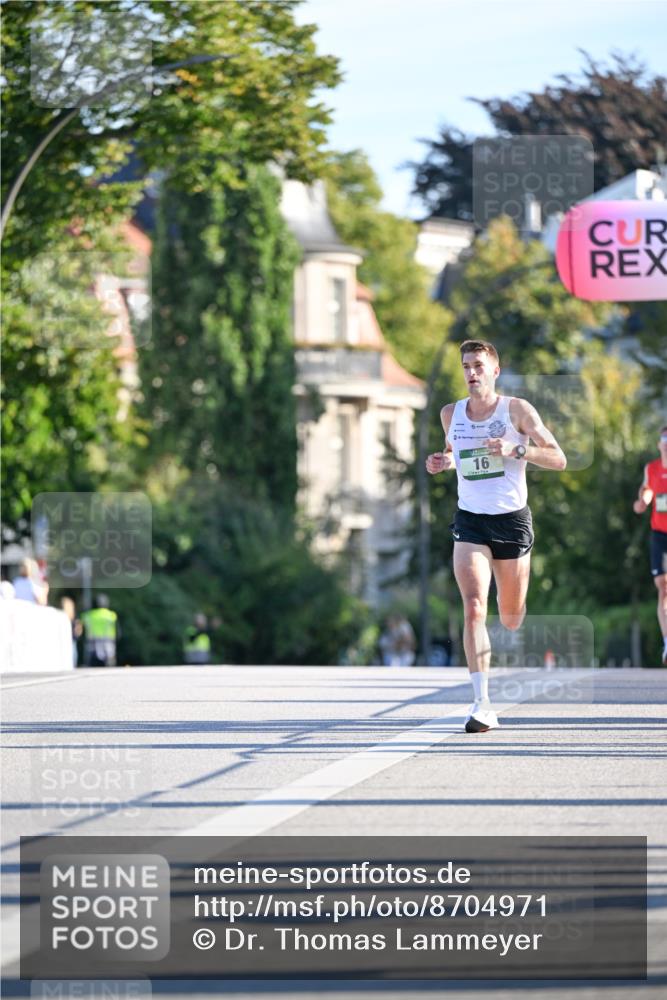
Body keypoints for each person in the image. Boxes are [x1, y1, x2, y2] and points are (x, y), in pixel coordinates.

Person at [426, 339, 566, 733]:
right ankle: (482, 703)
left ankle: (513, 612)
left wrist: (516, 449)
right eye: (466, 366)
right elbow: (457, 454)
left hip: (512, 522)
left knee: (511, 616)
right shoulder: (450, 413)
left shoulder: (517, 410)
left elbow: (558, 458)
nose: (472, 372)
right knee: (473, 607)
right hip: (470, 521)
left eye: (479, 366)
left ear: (495, 371)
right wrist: (442, 462)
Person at [633, 425, 667, 666]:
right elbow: (647, 490)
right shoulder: (652, 468)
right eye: (664, 438)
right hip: (659, 533)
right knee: (662, 586)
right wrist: (643, 502)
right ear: (659, 444)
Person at [81, 593, 118, 667]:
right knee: (109, 659)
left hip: (93, 641)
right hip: (108, 641)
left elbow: (82, 622)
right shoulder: (111, 615)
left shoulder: (89, 615)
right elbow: (117, 629)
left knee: (92, 660)